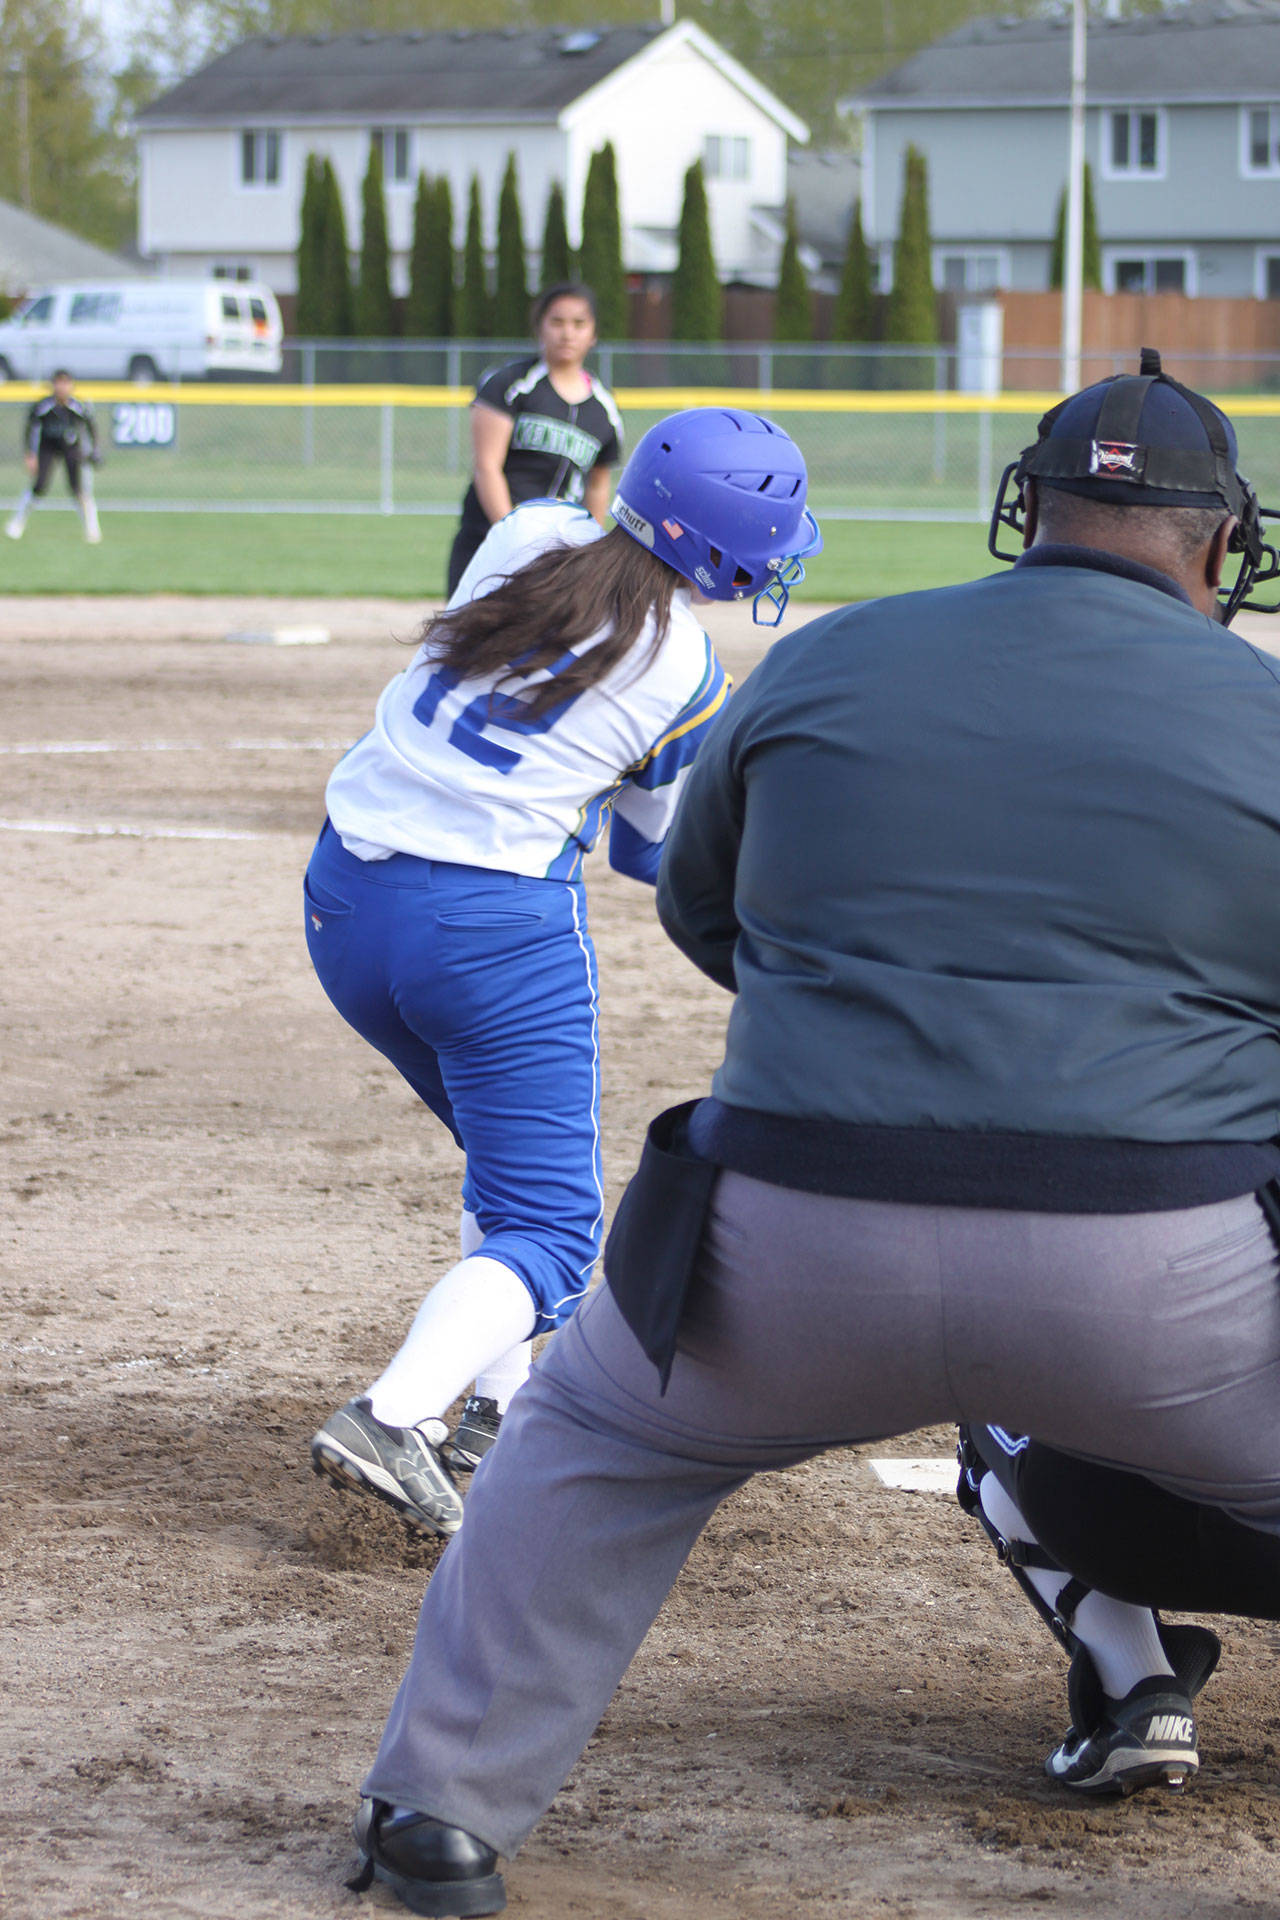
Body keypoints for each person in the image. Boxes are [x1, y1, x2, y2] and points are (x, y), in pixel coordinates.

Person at [339, 350, 1280, 1920]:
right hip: (1154, 1293)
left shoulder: (835, 659)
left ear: (1023, 512)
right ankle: (1133, 1663)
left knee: (584, 1442)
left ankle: (436, 1813)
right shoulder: (1261, 703)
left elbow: (710, 914)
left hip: (791, 1246)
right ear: (1216, 545)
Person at [305, 406, 821, 1545]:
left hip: (344, 900)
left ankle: (499, 1408)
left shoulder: (528, 530)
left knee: (505, 1175)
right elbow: (648, 851)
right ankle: (394, 1417)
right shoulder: (685, 666)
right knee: (552, 1229)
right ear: (727, 548)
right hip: (488, 929)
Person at [445, 283, 622, 597]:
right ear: (539, 328)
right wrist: (512, 535)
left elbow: (597, 485)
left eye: (579, 323)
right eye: (556, 322)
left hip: (557, 554)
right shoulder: (510, 384)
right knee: (471, 641)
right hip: (490, 539)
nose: (567, 333)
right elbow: (487, 466)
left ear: (593, 334)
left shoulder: (604, 410)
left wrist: (590, 548)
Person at [6, 368, 101, 544]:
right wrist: (30, 454)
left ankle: (92, 528)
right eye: (59, 383)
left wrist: (94, 450)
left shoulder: (77, 406)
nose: (62, 387)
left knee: (78, 488)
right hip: (48, 447)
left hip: (71, 448)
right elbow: (30, 429)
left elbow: (91, 427)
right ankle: (17, 523)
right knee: (40, 485)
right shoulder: (44, 406)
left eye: (66, 383)